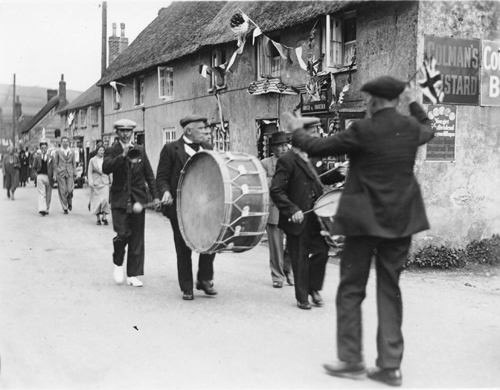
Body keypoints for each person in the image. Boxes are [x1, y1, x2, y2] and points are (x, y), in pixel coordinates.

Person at [290, 76, 435, 387]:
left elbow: (315, 147)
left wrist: (296, 129)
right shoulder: (410, 128)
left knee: (351, 290)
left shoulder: (361, 130)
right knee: (389, 290)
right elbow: (429, 129)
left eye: (367, 99)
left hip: (363, 224)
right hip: (401, 223)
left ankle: (352, 361)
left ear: (372, 101)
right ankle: (390, 367)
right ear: (395, 100)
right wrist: (414, 102)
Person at [271, 119, 344, 310]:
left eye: (317, 131)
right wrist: (292, 210)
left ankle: (313, 287)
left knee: (321, 251)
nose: (317, 135)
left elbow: (319, 179)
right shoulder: (287, 160)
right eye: (312, 132)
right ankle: (302, 297)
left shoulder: (312, 157)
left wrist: (339, 174)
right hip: (297, 217)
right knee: (300, 257)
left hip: (316, 216)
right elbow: (277, 190)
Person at [156, 115, 216, 301]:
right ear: (188, 130)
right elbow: (162, 177)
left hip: (204, 206)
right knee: (183, 248)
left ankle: (204, 279)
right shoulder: (170, 149)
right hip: (180, 207)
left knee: (210, 241)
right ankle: (187, 287)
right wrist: (165, 192)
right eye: (201, 129)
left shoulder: (208, 148)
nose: (205, 132)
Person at [103, 119, 160, 287]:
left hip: (138, 200)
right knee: (123, 234)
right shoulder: (111, 150)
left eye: (129, 131)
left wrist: (155, 196)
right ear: (117, 132)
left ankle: (133, 274)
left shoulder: (140, 150)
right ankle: (118, 263)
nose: (126, 134)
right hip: (120, 199)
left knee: (136, 237)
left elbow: (149, 175)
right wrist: (122, 156)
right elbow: (106, 168)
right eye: (122, 131)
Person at [260, 131, 293, 288]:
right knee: (276, 245)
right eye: (280, 146)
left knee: (293, 242)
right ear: (273, 149)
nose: (284, 148)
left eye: (286, 145)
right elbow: (261, 182)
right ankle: (277, 275)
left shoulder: (294, 161)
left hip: (291, 208)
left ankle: (288, 269)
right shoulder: (265, 163)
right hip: (274, 208)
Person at [88, 145, 111, 225]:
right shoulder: (92, 160)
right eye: (100, 150)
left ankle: (104, 217)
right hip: (96, 182)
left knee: (105, 200)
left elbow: (110, 171)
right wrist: (90, 181)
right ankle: (98, 218)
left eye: (103, 150)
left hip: (105, 182)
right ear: (97, 151)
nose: (102, 152)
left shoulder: (106, 160)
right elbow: (89, 171)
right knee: (97, 201)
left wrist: (111, 180)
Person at [54, 136, 77, 214]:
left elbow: (74, 163)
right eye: (63, 142)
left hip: (70, 172)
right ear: (61, 143)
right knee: (63, 191)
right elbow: (55, 163)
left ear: (69, 142)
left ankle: (69, 202)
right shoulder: (58, 152)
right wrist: (57, 172)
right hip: (61, 173)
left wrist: (75, 172)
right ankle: (65, 207)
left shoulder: (72, 152)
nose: (65, 143)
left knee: (70, 190)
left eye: (66, 142)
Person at [32, 141, 55, 215]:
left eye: (45, 148)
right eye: (42, 148)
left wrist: (54, 175)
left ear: (47, 148)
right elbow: (34, 168)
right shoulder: (37, 157)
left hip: (49, 176)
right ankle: (42, 209)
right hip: (40, 176)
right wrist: (36, 176)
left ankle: (47, 208)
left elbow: (54, 168)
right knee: (42, 193)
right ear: (40, 149)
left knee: (48, 194)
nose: (44, 149)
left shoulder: (51, 157)